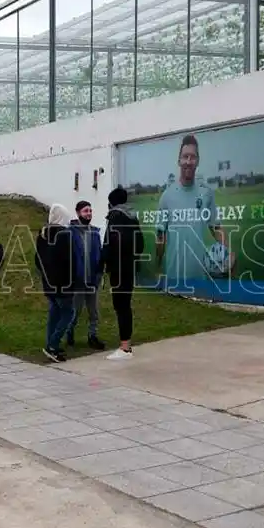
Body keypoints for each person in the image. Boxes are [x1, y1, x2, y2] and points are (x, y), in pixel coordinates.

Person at [155, 134, 233, 290]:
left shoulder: (206, 193)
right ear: (179, 161)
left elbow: (216, 228)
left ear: (198, 161)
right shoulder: (166, 196)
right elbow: (160, 236)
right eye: (185, 157)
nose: (188, 161)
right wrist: (158, 266)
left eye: (193, 157)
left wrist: (228, 252)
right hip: (174, 278)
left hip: (200, 278)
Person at [103, 187, 144, 360]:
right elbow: (140, 244)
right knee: (125, 306)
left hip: (118, 269)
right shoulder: (132, 218)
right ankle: (126, 345)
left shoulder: (115, 217)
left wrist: (103, 262)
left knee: (120, 306)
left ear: (111, 203)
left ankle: (125, 348)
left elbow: (109, 243)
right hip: (129, 268)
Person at [36, 204, 75, 362]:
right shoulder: (65, 236)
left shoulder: (42, 235)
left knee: (54, 313)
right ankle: (52, 345)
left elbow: (38, 260)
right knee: (68, 313)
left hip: (48, 283)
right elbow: (69, 261)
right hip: (63, 283)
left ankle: (50, 344)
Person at [66, 201, 106, 350]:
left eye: (90, 211)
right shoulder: (71, 232)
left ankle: (92, 336)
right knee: (75, 311)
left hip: (92, 279)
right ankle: (69, 332)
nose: (88, 214)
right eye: (85, 211)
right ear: (78, 213)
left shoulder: (95, 232)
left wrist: (99, 273)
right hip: (78, 280)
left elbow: (99, 254)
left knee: (93, 311)